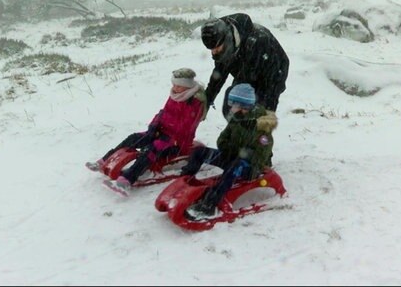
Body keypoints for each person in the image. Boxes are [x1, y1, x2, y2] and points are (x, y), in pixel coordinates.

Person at [86, 68, 207, 198]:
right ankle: (104, 161)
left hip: (177, 140)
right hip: (162, 132)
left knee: (152, 149)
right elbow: (162, 113)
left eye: (179, 86)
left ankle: (127, 180)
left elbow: (186, 127)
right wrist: (153, 127)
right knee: (134, 138)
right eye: (174, 85)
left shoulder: (195, 102)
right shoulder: (176, 95)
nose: (175, 88)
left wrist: (163, 134)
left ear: (187, 86)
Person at [179, 83, 278, 221]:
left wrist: (241, 153)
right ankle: (183, 184)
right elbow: (221, 141)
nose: (231, 107)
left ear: (245, 106)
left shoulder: (262, 129)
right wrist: (233, 150)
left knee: (235, 165)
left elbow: (260, 156)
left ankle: (209, 205)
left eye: (233, 104)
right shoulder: (237, 120)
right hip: (232, 157)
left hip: (249, 168)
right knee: (199, 152)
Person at [200, 12, 289, 117]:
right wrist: (205, 103)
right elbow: (219, 74)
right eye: (211, 50)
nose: (214, 53)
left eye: (217, 49)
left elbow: (271, 87)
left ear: (227, 39)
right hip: (244, 70)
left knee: (258, 113)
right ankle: (237, 128)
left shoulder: (260, 42)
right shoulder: (221, 40)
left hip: (273, 71)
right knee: (234, 105)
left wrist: (265, 119)